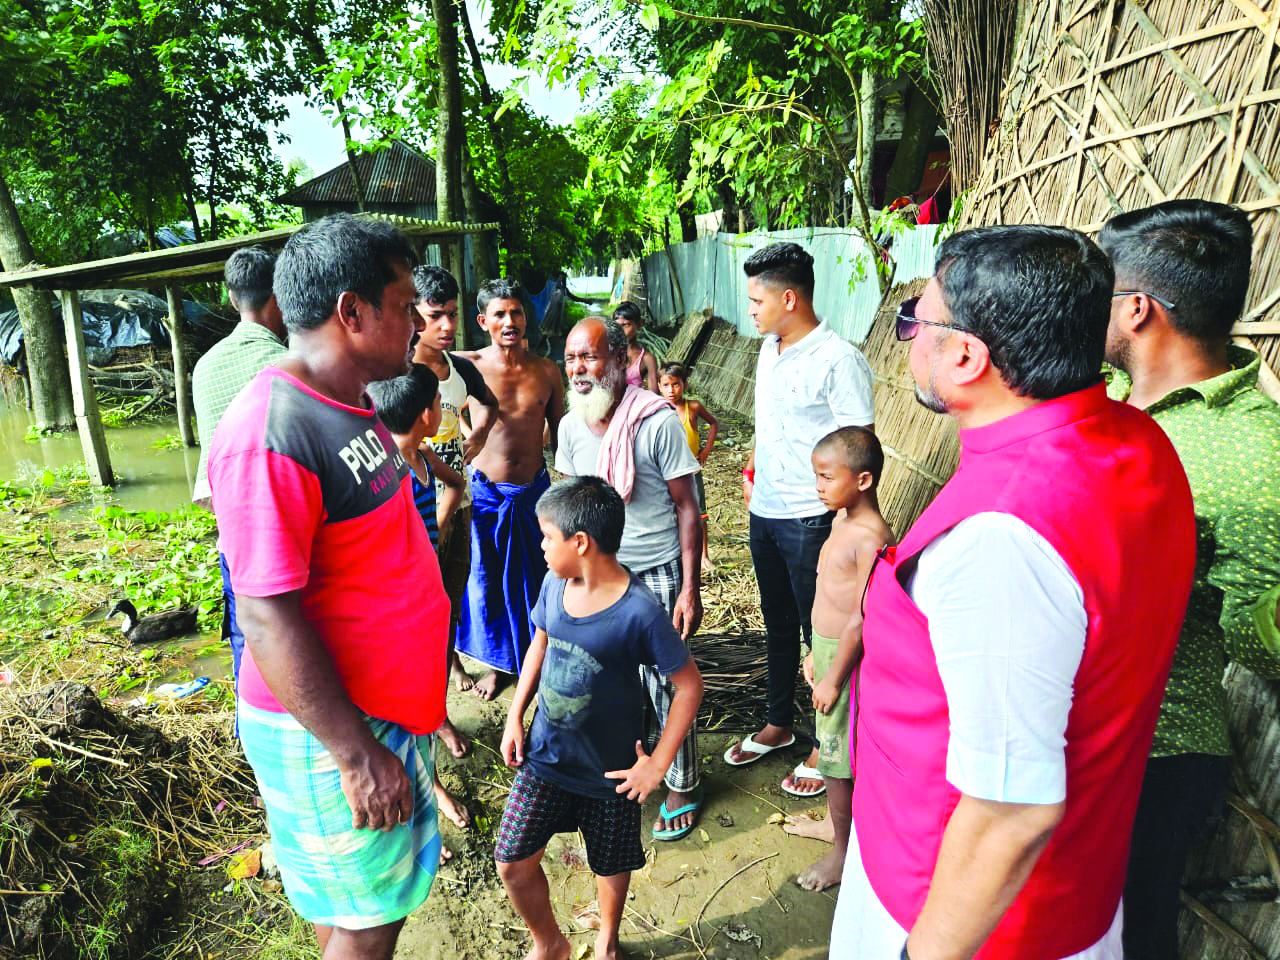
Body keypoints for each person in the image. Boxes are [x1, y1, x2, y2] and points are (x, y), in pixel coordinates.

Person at [831, 225, 1197, 960]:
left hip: (963, 914)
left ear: (965, 357)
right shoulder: (1137, 441)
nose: (908, 335)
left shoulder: (1003, 538)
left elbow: (1010, 807)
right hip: (1073, 883)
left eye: (916, 319)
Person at [208, 214, 448, 960]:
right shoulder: (272, 432)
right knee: (368, 922)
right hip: (332, 729)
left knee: (354, 906)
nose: (416, 322)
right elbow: (265, 616)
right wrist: (352, 754)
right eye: (405, 304)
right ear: (352, 312)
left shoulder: (353, 404)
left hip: (378, 712)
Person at [1099, 200, 1280, 960]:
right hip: (1082, 736)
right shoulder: (1103, 400)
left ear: (1137, 308)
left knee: (1135, 937)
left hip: (1157, 754)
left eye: (1098, 292)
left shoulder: (1248, 454)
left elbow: (1264, 632)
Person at [495, 476, 704, 960]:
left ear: (581, 543)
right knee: (512, 860)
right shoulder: (553, 583)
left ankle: (607, 938)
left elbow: (689, 685)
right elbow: (539, 644)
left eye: (548, 537)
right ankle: (550, 942)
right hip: (545, 756)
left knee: (610, 864)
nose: (542, 546)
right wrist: (515, 713)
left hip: (611, 771)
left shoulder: (639, 612)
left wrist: (658, 764)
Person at [724, 242, 875, 802]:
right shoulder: (770, 348)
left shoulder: (839, 360)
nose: (751, 310)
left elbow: (860, 450)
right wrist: (755, 471)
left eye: (757, 300)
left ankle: (823, 741)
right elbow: (773, 428)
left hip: (812, 519)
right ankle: (778, 721)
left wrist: (844, 524)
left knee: (824, 636)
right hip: (765, 510)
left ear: (789, 297)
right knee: (778, 623)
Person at [557, 317, 705, 839]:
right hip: (599, 578)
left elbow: (689, 508)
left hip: (657, 572)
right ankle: (627, 768)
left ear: (621, 362)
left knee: (668, 684)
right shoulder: (572, 427)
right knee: (609, 685)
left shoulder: (656, 421)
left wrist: (690, 587)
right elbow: (571, 507)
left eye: (590, 357)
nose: (578, 368)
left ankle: (682, 782)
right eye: (572, 358)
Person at [786, 426, 893, 893]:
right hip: (827, 652)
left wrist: (834, 676)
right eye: (816, 476)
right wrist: (813, 653)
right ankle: (837, 829)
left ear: (863, 480)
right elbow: (826, 596)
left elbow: (861, 616)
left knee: (836, 760)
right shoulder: (841, 520)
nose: (819, 486)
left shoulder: (872, 536)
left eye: (827, 477)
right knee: (831, 752)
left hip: (847, 660)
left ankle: (844, 854)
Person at [455, 278, 565, 700]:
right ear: (484, 321)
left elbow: (560, 434)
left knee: (538, 577)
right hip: (486, 494)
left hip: (535, 493)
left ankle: (540, 657)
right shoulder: (468, 366)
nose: (509, 321)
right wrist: (468, 436)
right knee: (487, 580)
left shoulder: (546, 370)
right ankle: (500, 665)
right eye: (499, 314)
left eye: (516, 312)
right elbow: (446, 405)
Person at [190, 245, 287, 688]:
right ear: (279, 297)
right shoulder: (288, 366)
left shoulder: (204, 368)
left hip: (232, 533)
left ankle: (246, 726)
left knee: (244, 637)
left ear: (231, 298)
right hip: (285, 534)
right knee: (289, 638)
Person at [366, 363, 470, 758]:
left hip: (426, 584)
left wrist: (437, 531)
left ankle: (432, 730)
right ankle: (432, 777)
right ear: (427, 414)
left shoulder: (423, 457)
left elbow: (457, 483)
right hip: (401, 598)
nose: (442, 408)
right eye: (439, 403)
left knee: (427, 669)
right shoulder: (386, 471)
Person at [410, 265, 500, 693]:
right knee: (418, 603)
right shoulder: (400, 372)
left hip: (460, 502)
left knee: (452, 592)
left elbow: (490, 404)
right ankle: (429, 699)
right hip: (416, 507)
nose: (446, 326)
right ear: (413, 316)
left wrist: (478, 436)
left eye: (451, 314)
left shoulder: (460, 369)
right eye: (434, 316)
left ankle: (449, 667)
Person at [657, 361, 719, 573]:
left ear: (684, 384)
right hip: (668, 471)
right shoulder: (658, 409)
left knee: (700, 514)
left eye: (675, 384)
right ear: (658, 386)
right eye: (666, 385)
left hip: (691, 470)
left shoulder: (692, 407)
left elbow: (713, 423)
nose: (671, 390)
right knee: (673, 513)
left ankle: (704, 556)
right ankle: (677, 554)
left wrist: (706, 450)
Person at [613, 301, 658, 391]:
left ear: (639, 324)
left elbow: (653, 394)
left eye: (626, 325)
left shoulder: (647, 358)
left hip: (634, 403)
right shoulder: (608, 353)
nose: (621, 330)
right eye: (617, 325)